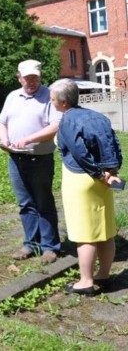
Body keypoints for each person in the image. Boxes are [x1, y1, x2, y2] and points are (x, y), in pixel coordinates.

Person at [49, 79, 122, 296]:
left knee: (85, 234)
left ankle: (86, 281)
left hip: (80, 180)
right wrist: (111, 172)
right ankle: (104, 274)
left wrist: (97, 173)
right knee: (106, 231)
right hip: (104, 181)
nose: (51, 102)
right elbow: (114, 144)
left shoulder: (67, 121)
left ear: (62, 102)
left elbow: (80, 154)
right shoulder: (97, 116)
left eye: (53, 99)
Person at [0, 59, 62, 264]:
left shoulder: (49, 96)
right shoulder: (12, 96)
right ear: (19, 78)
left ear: (40, 77)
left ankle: (50, 247)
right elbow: (1, 122)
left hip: (40, 158)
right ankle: (30, 244)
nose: (31, 82)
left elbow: (55, 125)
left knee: (44, 202)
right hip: (15, 158)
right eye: (27, 78)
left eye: (35, 78)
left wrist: (29, 139)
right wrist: (5, 139)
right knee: (25, 204)